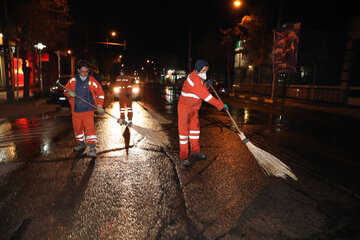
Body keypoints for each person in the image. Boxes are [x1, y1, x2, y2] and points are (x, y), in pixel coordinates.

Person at [177, 59, 229, 167]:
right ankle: (183, 156)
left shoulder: (199, 78)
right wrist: (220, 105)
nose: (205, 72)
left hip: (194, 109)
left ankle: (195, 152)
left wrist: (206, 86)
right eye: (204, 70)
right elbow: (206, 96)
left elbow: (199, 89)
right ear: (198, 69)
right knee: (184, 134)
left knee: (195, 132)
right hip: (184, 110)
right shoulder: (193, 79)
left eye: (206, 70)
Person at [64, 60, 105, 157]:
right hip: (76, 110)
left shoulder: (92, 81)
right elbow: (65, 90)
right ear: (78, 70)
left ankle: (92, 148)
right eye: (82, 71)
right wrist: (68, 93)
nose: (84, 74)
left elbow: (100, 94)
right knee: (77, 128)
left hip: (88, 109)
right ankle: (81, 144)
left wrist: (99, 105)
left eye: (86, 71)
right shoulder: (72, 80)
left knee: (90, 130)